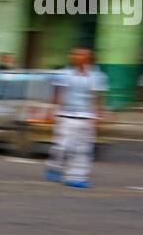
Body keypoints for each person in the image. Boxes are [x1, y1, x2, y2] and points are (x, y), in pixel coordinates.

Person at [45, 47, 108, 188]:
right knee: (62, 146)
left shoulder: (97, 77)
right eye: (73, 53)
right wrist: (52, 110)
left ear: (89, 57)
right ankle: (54, 167)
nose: (75, 56)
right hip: (66, 115)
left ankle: (76, 177)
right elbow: (57, 94)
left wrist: (98, 116)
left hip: (86, 117)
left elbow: (97, 98)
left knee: (83, 150)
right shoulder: (63, 74)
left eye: (80, 54)